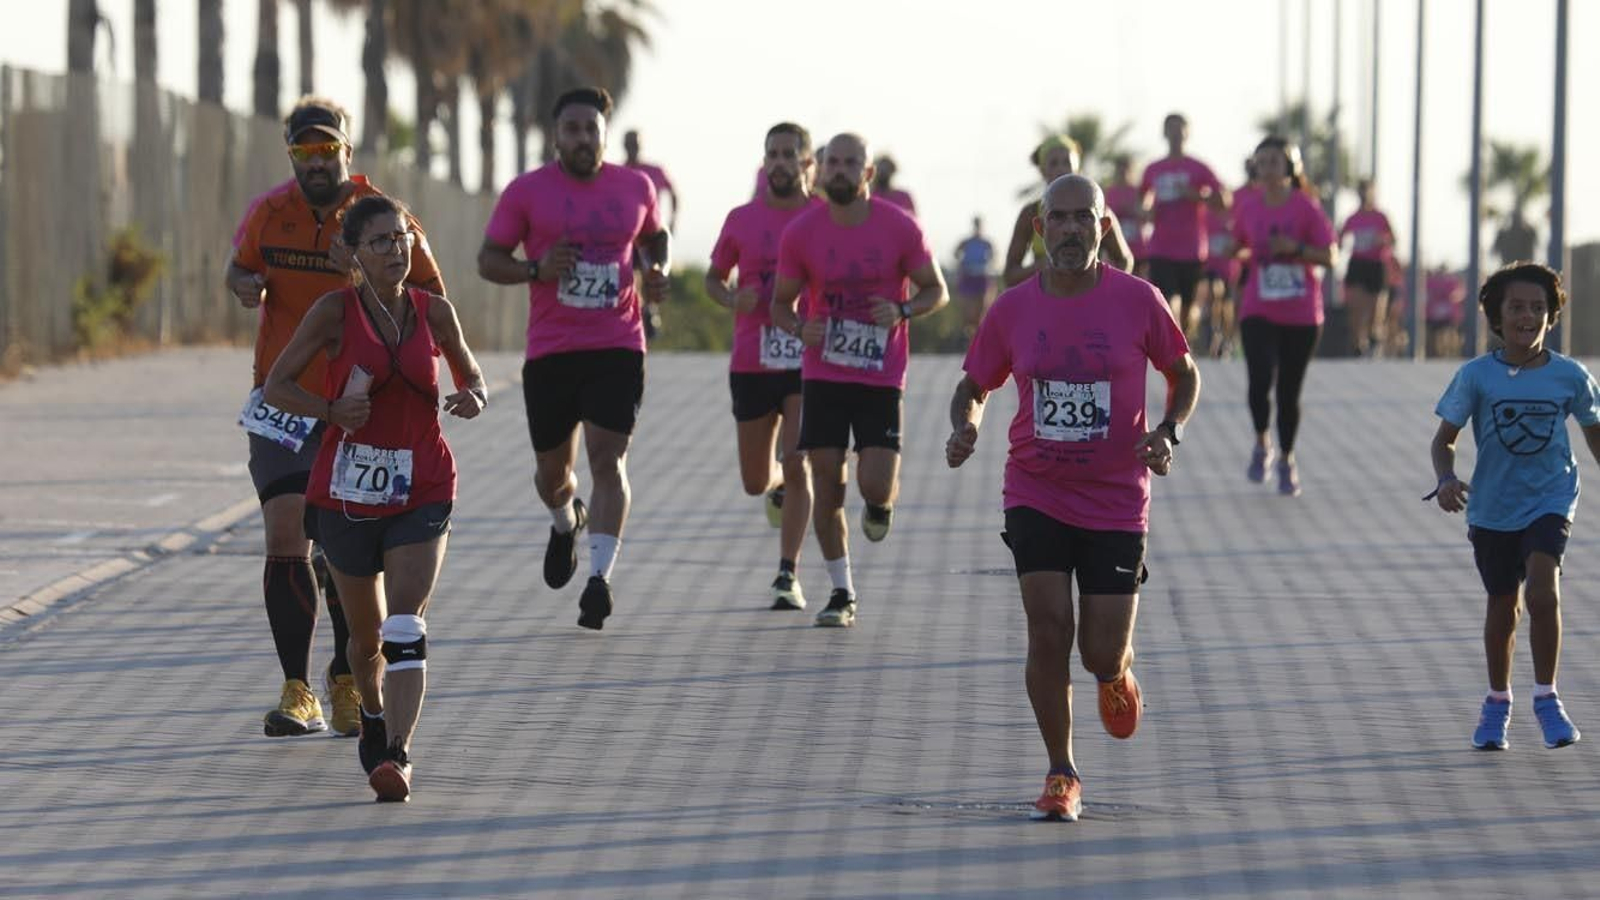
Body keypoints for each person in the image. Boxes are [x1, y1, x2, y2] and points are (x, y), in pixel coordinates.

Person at [946, 173, 1200, 822]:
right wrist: (966, 425)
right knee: (1048, 627)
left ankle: (1117, 674)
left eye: (1082, 218)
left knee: (1098, 652)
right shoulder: (1012, 308)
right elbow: (974, 382)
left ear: (1102, 226)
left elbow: (1183, 372)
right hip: (1036, 488)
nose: (1068, 230)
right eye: (1056, 219)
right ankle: (1062, 770)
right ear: (1039, 229)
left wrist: (1168, 430)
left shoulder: (1138, 300)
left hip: (1116, 498)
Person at [227, 97, 445, 739]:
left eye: (328, 150)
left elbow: (432, 296)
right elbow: (240, 264)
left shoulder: (383, 218)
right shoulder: (270, 213)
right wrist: (242, 283)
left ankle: (349, 679)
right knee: (285, 526)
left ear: (348, 152)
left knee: (347, 548)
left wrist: (368, 276)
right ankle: (297, 691)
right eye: (304, 152)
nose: (316, 162)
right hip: (285, 400)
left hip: (361, 410)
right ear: (290, 155)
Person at [263, 194, 484, 803]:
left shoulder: (435, 311)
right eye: (381, 241)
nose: (397, 249)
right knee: (366, 644)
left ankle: (398, 754)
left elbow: (472, 374)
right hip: (346, 496)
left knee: (405, 623)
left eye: (404, 237)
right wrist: (330, 409)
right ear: (354, 254)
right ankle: (375, 712)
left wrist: (474, 396)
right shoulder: (333, 313)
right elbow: (278, 385)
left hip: (424, 486)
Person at [477, 87, 670, 631]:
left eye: (591, 128)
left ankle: (599, 579)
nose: (583, 138)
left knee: (609, 462)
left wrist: (659, 273)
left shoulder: (636, 187)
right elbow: (489, 260)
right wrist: (536, 269)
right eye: (572, 129)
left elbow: (656, 238)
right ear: (556, 136)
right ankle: (566, 521)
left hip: (618, 343)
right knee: (551, 476)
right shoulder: (527, 192)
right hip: (552, 350)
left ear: (605, 132)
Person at [770, 132, 949, 628]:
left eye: (853, 163)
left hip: (879, 374)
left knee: (872, 486)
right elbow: (780, 306)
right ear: (821, 171)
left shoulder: (900, 228)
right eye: (834, 163)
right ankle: (842, 591)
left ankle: (879, 503)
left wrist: (902, 309)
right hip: (824, 371)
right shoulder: (801, 233)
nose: (842, 171)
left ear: (869, 174)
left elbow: (939, 290)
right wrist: (798, 327)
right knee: (826, 483)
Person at [1429, 261, 1592, 752]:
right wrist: (1444, 479)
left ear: (1553, 316)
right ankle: (1497, 702)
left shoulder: (1571, 376)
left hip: (1551, 497)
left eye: (1539, 308)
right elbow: (1445, 440)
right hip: (1493, 506)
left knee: (1543, 591)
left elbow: (1596, 431)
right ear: (1496, 317)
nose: (1528, 316)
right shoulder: (1476, 376)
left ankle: (1548, 699)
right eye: (1517, 307)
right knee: (1504, 605)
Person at [705, 123, 819, 610]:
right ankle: (775, 488)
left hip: (807, 360)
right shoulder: (741, 219)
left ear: (806, 163)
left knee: (798, 461)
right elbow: (714, 278)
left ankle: (787, 573)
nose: (779, 163)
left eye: (789, 154)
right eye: (772, 154)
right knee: (757, 479)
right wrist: (733, 296)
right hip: (753, 359)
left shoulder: (823, 218)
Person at [1230, 135, 1337, 497]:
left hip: (1301, 312)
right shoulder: (1247, 206)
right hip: (1258, 307)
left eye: (1276, 160)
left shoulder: (1306, 208)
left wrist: (1296, 249)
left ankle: (1287, 459)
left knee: (1288, 392)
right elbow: (1237, 244)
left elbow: (1330, 256)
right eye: (1263, 161)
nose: (1269, 167)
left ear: (1290, 167)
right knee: (1259, 380)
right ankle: (1263, 443)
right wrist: (1232, 252)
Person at [1139, 113, 1229, 338]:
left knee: (1188, 304)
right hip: (1161, 247)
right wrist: (1146, 212)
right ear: (1164, 133)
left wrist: (1197, 196)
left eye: (1180, 129)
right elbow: (1141, 202)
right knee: (1164, 299)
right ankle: (1169, 342)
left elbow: (1224, 200)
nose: (1176, 134)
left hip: (1191, 248)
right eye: (1171, 129)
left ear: (1187, 133)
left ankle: (1184, 339)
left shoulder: (1198, 168)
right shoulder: (1153, 168)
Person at [1003, 135, 1132, 287]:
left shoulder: (1098, 210)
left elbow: (1124, 260)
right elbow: (1010, 275)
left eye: (1067, 162)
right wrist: (1049, 263)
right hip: (1048, 299)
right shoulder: (1031, 213)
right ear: (1043, 171)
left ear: (1077, 168)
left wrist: (1104, 288)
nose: (1061, 169)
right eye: (1053, 164)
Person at [1338, 179, 1397, 357]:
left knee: (1375, 310)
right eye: (1361, 191)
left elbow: (1393, 240)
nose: (1364, 195)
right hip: (1357, 264)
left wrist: (1382, 240)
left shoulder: (1381, 217)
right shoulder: (1352, 217)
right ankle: (1357, 343)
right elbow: (1340, 238)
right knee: (1355, 307)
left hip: (1376, 265)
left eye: (1367, 191)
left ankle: (1374, 335)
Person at [952, 216, 997, 340]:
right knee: (968, 315)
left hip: (981, 278)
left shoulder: (986, 243)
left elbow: (993, 257)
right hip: (968, 277)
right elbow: (956, 253)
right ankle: (971, 341)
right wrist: (962, 264)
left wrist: (985, 264)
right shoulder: (966, 242)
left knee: (981, 312)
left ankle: (978, 340)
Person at [1103, 155, 1147, 278]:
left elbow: (1146, 214)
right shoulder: (1109, 192)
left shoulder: (1138, 191)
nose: (1122, 172)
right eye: (1119, 168)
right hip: (1115, 248)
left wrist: (1132, 210)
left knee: (1139, 281)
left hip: (1137, 247)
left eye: (1125, 168)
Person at [1426, 264, 1467, 358]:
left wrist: (1452, 297)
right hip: (1433, 316)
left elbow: (1458, 294)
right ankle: (1436, 354)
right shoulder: (1431, 282)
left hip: (1449, 315)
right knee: (1434, 336)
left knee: (1449, 334)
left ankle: (1450, 352)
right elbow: (1427, 295)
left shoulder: (1452, 282)